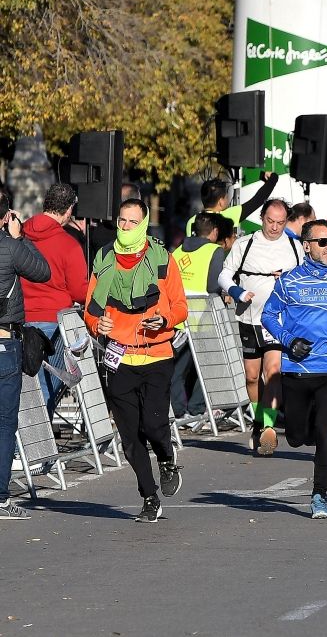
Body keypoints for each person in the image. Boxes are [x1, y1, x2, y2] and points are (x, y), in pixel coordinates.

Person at [83, 198, 186, 523]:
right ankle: (149, 496)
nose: (125, 227)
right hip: (119, 356)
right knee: (129, 437)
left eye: (132, 222)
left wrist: (165, 319)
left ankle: (167, 458)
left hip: (156, 355)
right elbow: (90, 309)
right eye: (122, 221)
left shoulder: (162, 259)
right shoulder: (103, 258)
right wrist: (98, 325)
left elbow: (181, 306)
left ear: (143, 225)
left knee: (154, 426)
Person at [261, 220, 327, 520]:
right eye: (323, 242)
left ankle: (320, 495)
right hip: (297, 370)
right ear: (307, 246)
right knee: (296, 436)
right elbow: (269, 315)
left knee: (324, 433)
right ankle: (297, 431)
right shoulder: (289, 281)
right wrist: (288, 341)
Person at [219, 199, 302, 454]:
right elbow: (224, 274)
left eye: (280, 222)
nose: (275, 227)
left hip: (279, 320)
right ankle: (259, 418)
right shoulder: (246, 244)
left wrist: (289, 280)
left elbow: (304, 278)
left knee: (273, 370)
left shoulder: (294, 246)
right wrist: (237, 291)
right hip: (249, 317)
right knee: (252, 376)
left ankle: (267, 424)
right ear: (261, 218)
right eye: (270, 221)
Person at [0, 195, 52, 520]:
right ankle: (1, 497)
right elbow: (42, 272)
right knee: (4, 423)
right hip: (4, 343)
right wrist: (22, 238)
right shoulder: (10, 246)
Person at [20, 184, 87, 415]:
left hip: (17, 320)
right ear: (68, 211)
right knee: (47, 390)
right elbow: (80, 292)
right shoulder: (68, 244)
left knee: (21, 392)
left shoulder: (19, 234)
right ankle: (39, 447)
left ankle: (21, 446)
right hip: (52, 323)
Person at [169, 212, 228, 427]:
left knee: (179, 368)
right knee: (204, 367)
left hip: (178, 316)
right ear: (214, 232)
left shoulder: (177, 251)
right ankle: (195, 408)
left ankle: (179, 410)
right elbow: (214, 285)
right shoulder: (214, 250)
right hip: (203, 317)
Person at [183, 171, 278, 237]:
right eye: (226, 196)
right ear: (221, 202)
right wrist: (273, 178)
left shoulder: (191, 221)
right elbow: (258, 199)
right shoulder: (227, 217)